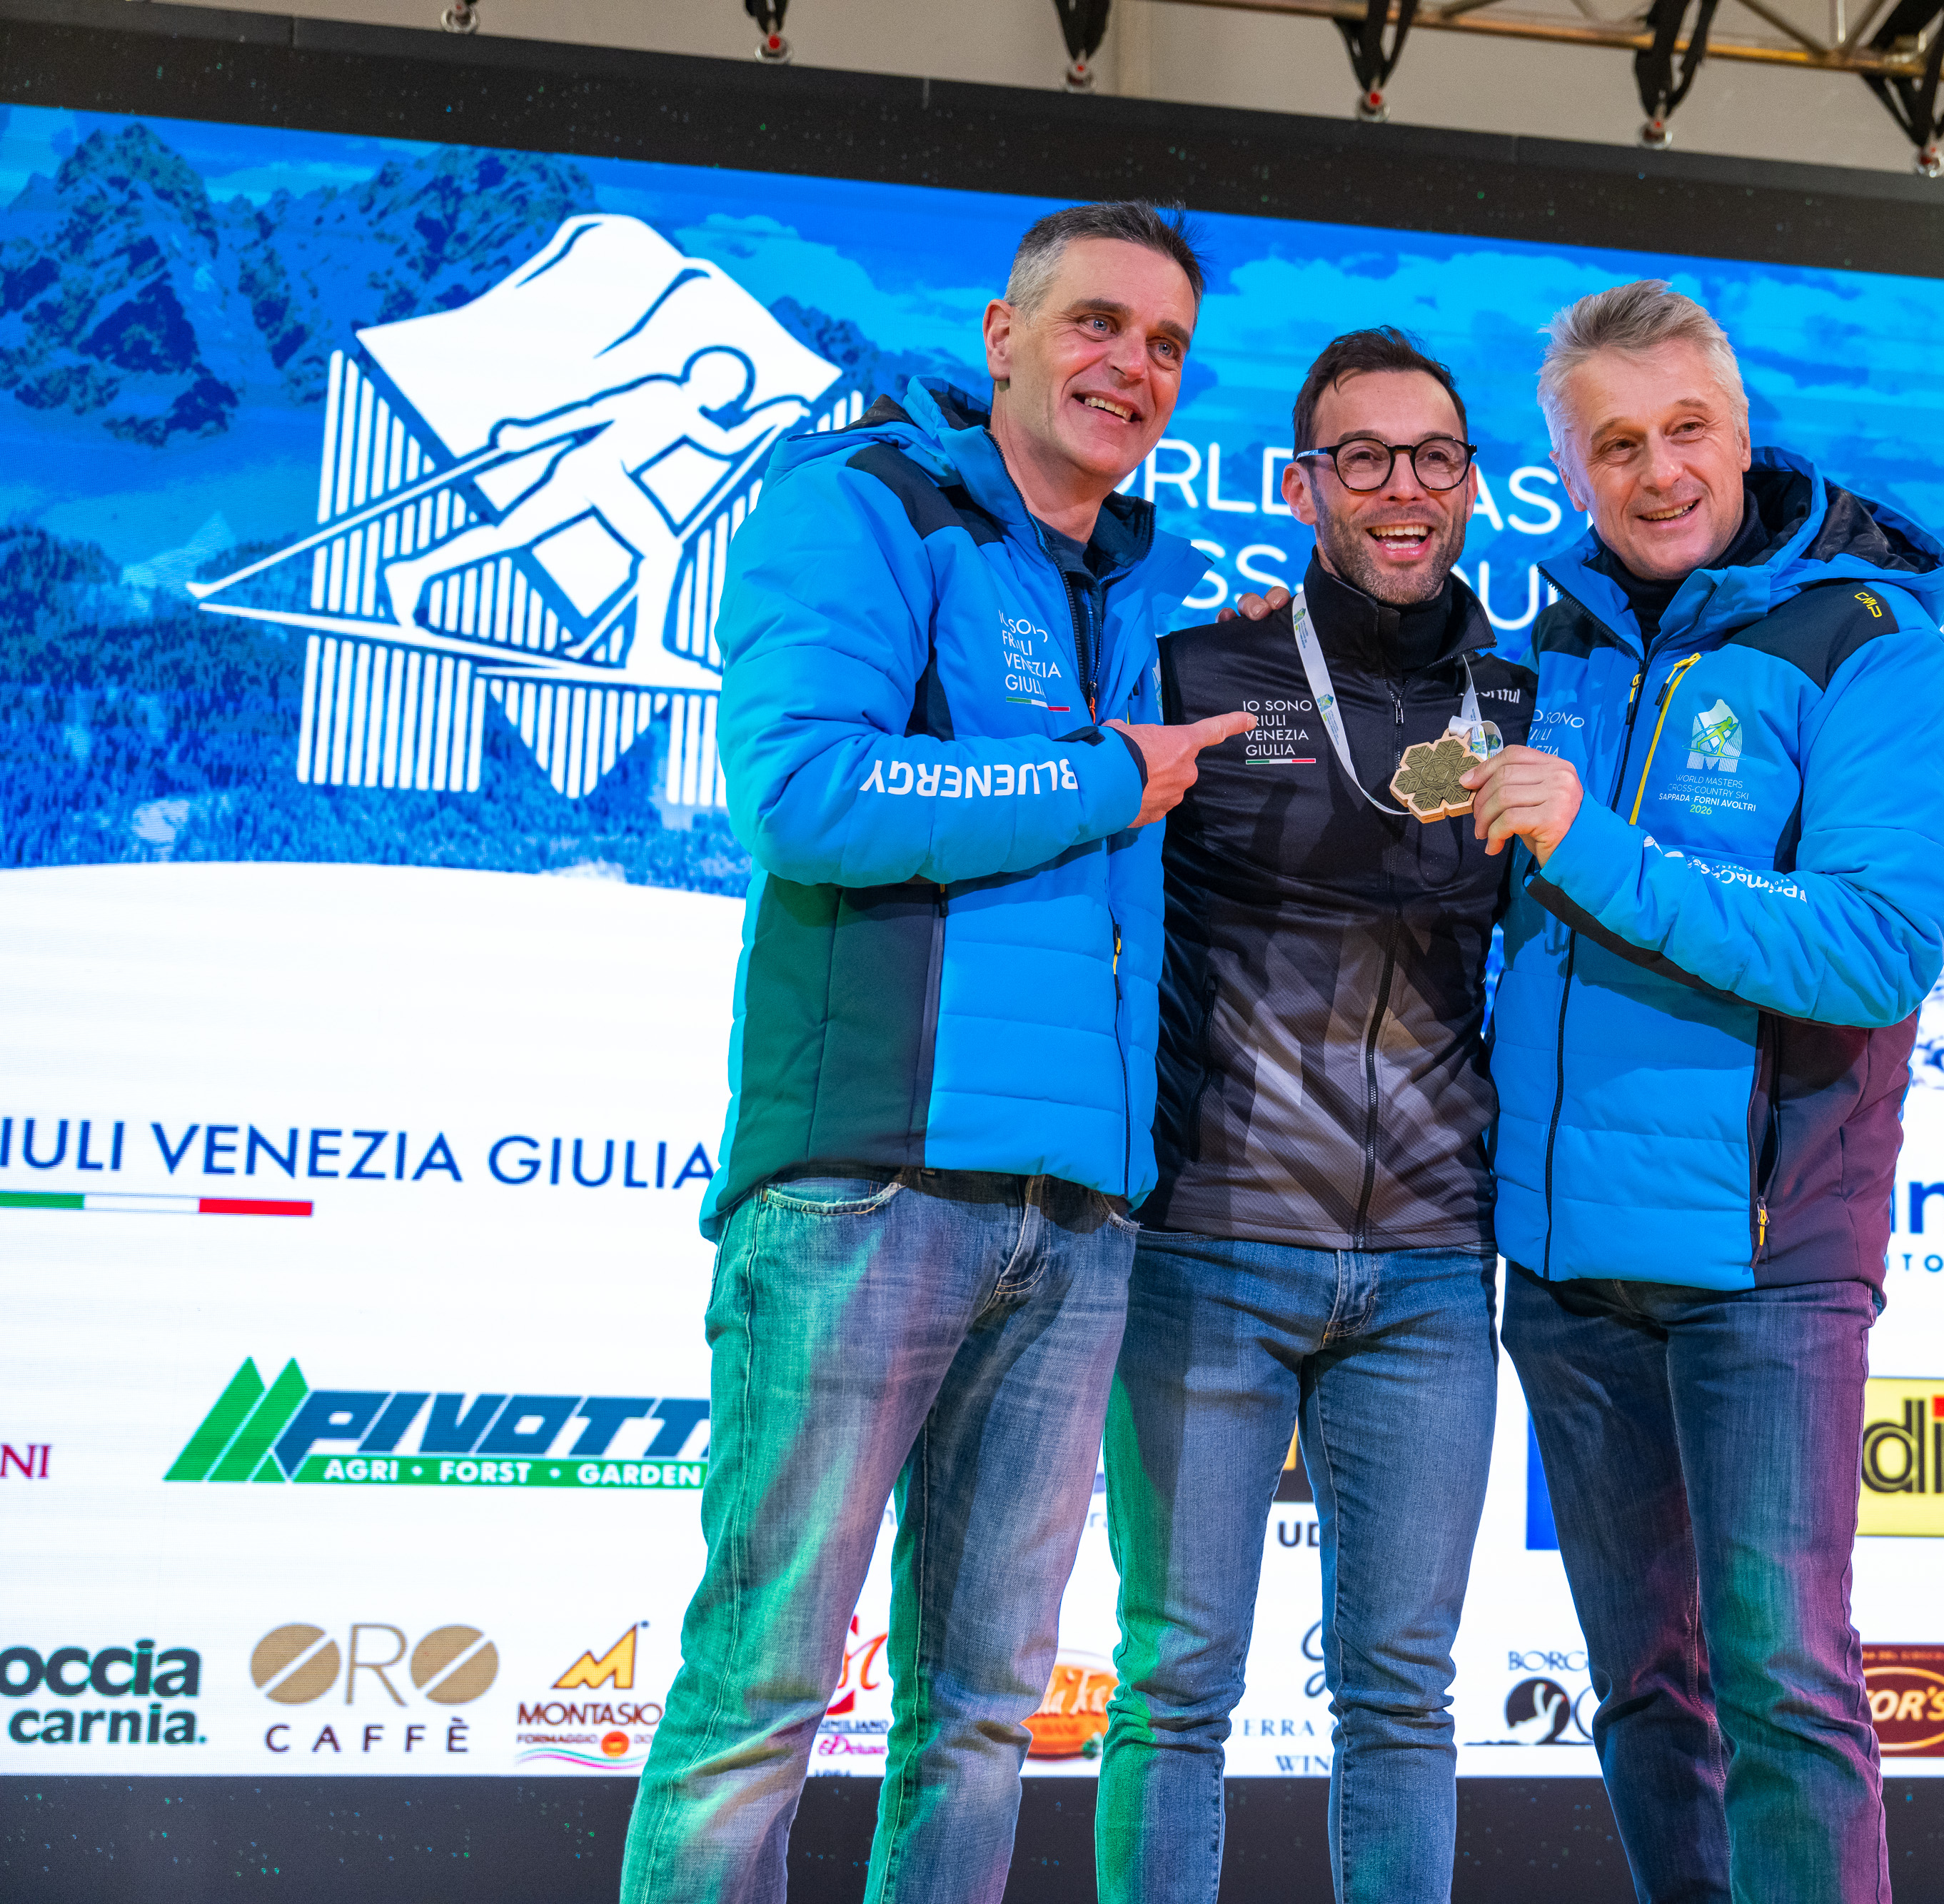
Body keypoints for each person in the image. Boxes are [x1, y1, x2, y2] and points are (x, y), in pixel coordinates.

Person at [620, 201, 1254, 1904]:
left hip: (1080, 1213)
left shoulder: (1154, 583)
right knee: (759, 1691)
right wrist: (1097, 775)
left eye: (1165, 345)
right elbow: (803, 793)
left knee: (978, 1718)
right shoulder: (863, 505)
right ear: (1002, 334)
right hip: (867, 1183)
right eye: (1096, 322)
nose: (1130, 366)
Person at [1458, 280, 1944, 1904]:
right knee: (1640, 1692)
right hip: (1566, 1270)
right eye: (1615, 444)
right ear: (1568, 471)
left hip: (1764, 1262)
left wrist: (1594, 849)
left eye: (1685, 429)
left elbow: (1875, 948)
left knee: (1787, 1692)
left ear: (1742, 433)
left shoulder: (1867, 643)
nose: (1658, 470)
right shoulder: (1547, 643)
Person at [1094, 329, 1536, 1904]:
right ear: (1302, 487)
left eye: (1434, 456)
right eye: (1363, 457)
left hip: (1431, 1267)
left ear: (1473, 486)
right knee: (1173, 1688)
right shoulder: (1198, 677)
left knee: (1401, 1697)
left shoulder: (1523, 700)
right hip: (1208, 1243)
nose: (1401, 486)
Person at [381, 346, 805, 683]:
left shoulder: (681, 407)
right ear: (713, 380)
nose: (732, 400)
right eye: (734, 392)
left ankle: (412, 571)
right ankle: (645, 653)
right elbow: (592, 411)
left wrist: (770, 417)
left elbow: (724, 443)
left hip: (589, 470)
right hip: (599, 472)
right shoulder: (665, 394)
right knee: (663, 552)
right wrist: (529, 435)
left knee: (508, 536)